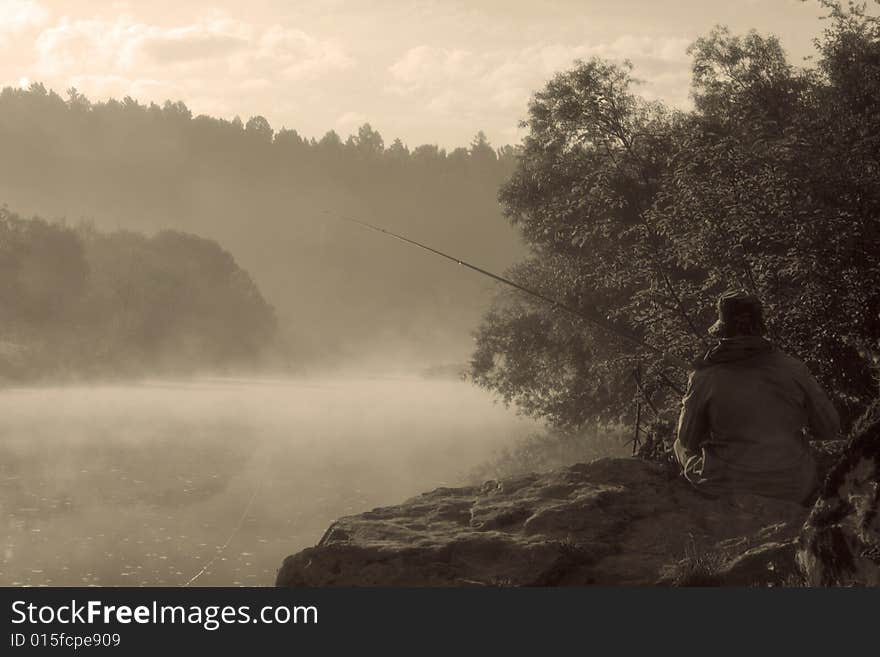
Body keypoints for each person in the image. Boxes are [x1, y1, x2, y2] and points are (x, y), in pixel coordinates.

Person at [673, 290, 840, 505]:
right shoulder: (794, 368)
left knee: (679, 445)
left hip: (727, 486)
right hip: (794, 486)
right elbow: (829, 428)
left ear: (723, 329)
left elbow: (688, 439)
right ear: (759, 326)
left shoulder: (705, 376)